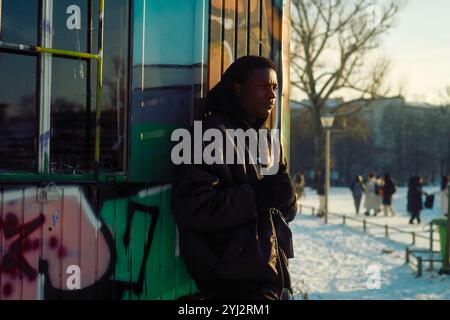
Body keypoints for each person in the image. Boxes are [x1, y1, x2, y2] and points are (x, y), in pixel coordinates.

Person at [171, 56, 297, 300]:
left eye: (274, 87)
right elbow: (193, 207)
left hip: (272, 281)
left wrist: (288, 198)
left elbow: (285, 214)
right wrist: (258, 197)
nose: (271, 95)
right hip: (228, 283)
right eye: (262, 86)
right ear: (236, 88)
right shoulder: (206, 135)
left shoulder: (269, 142)